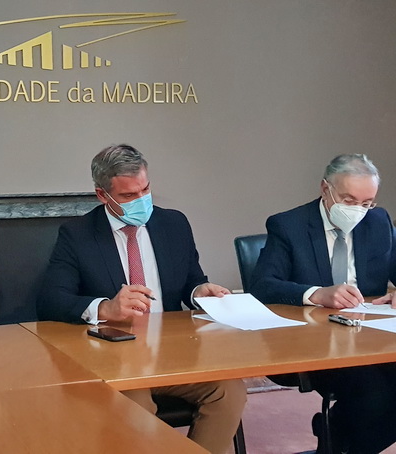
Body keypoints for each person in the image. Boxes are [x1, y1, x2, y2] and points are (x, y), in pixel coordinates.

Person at [38, 144, 246, 454]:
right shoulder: (77, 234)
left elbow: (191, 280)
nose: (141, 200)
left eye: (145, 190)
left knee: (229, 391)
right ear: (102, 195)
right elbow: (51, 300)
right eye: (128, 196)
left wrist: (199, 292)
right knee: (137, 410)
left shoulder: (174, 224)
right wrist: (106, 307)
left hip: (172, 352)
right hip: (115, 358)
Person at [250, 153, 396, 453]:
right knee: (375, 393)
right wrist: (316, 293)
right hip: (313, 342)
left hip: (372, 337)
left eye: (367, 203)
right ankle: (339, 438)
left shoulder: (378, 221)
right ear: (325, 188)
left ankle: (336, 436)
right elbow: (262, 285)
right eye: (348, 200)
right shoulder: (288, 225)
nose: (358, 210)